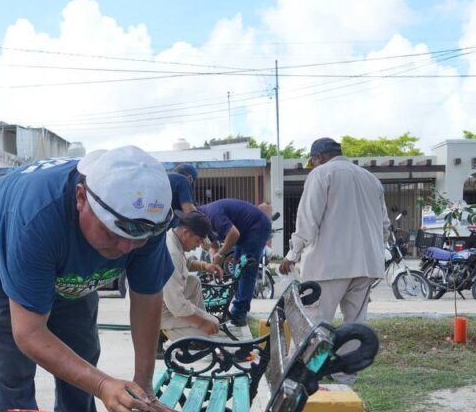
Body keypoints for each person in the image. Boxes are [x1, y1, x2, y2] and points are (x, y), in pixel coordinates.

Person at [0, 146, 181, 412]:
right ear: (81, 197)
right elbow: (29, 333)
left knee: (82, 350)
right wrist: (103, 385)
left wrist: (144, 384)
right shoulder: (36, 217)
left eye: (137, 238)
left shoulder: (144, 221)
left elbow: (147, 299)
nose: (126, 248)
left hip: (60, 256)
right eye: (113, 233)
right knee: (11, 370)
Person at [279, 136, 390, 339]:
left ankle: (307, 370)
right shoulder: (371, 178)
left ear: (318, 157)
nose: (312, 166)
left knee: (314, 322)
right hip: (366, 266)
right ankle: (345, 372)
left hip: (329, 266)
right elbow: (384, 227)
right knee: (355, 326)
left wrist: (292, 255)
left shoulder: (321, 174)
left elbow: (307, 221)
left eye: (312, 162)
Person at [198, 198, 272, 328]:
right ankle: (236, 309)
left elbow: (233, 234)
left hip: (257, 226)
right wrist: (213, 260)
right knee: (238, 270)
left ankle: (239, 313)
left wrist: (221, 254)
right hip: (244, 232)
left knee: (246, 269)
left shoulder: (213, 214)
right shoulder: (204, 222)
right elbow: (214, 245)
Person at [160, 210, 224, 339]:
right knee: (209, 332)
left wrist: (205, 266)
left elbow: (185, 263)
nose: (197, 247)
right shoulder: (172, 254)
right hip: (155, 312)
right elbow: (177, 305)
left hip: (165, 301)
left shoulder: (173, 239)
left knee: (193, 281)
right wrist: (202, 323)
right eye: (198, 241)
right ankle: (161, 333)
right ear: (185, 233)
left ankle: (193, 327)